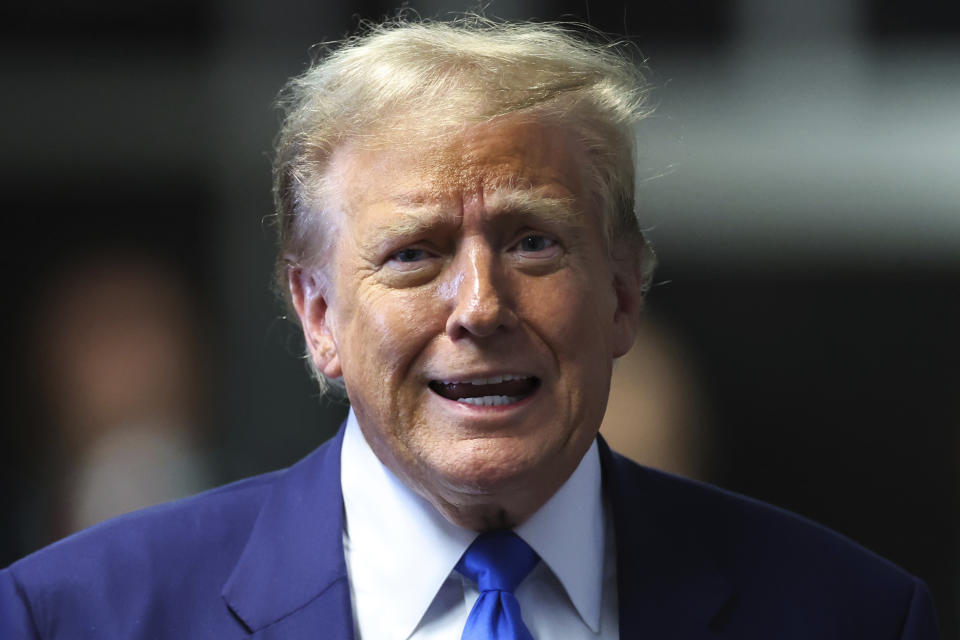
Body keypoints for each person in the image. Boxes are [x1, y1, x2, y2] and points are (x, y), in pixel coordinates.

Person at [0, 16, 939, 639]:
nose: (481, 306)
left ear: (621, 294)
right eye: (414, 253)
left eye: (533, 243)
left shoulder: (851, 614)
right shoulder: (79, 616)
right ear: (317, 314)